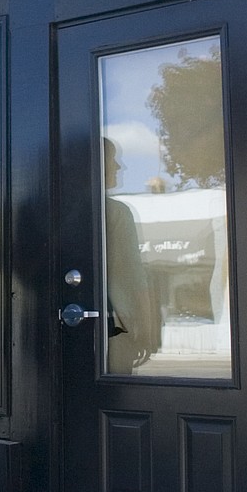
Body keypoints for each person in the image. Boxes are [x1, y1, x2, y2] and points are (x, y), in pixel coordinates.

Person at [102, 137, 159, 374]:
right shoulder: (116, 213)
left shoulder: (54, 212)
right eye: (112, 159)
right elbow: (134, 276)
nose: (119, 166)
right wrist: (146, 331)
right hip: (115, 330)